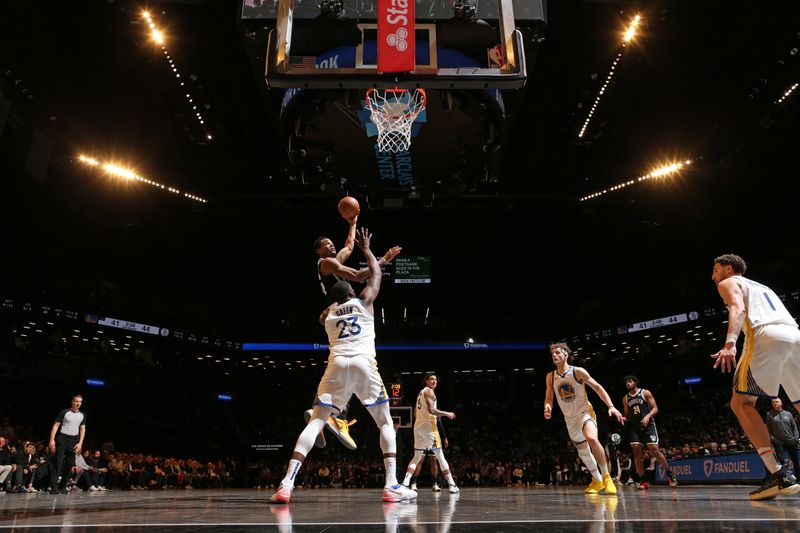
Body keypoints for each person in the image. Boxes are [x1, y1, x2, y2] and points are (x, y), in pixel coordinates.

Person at [270, 228, 416, 504]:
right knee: (385, 422)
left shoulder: (327, 316)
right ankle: (391, 485)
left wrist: (352, 230)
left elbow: (344, 263)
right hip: (363, 364)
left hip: (336, 365)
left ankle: (286, 484)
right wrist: (370, 251)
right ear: (351, 290)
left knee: (315, 421)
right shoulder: (365, 303)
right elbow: (373, 275)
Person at [710, 253, 800, 500]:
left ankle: (778, 473)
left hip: (766, 335)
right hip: (794, 334)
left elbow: (737, 308)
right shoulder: (762, 286)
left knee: (741, 403)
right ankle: (777, 473)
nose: (713, 275)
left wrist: (730, 343)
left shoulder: (728, 283)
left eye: (715, 270)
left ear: (728, 269)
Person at [308, 217, 402, 451]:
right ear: (318, 251)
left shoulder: (331, 261)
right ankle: (335, 417)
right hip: (337, 312)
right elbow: (360, 276)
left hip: (336, 315)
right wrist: (382, 260)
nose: (331, 245)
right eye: (326, 244)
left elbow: (349, 246)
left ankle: (319, 416)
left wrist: (352, 222)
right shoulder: (326, 263)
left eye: (331, 242)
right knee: (351, 362)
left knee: (341, 366)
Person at [544, 342, 623, 495]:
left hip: (585, 413)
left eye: (558, 352)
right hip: (570, 419)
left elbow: (598, 387)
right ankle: (597, 480)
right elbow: (549, 397)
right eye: (553, 353)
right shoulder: (550, 377)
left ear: (566, 355)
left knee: (592, 438)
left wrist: (611, 406)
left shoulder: (577, 372)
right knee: (583, 451)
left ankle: (607, 477)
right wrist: (548, 407)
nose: (555, 355)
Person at [401, 374, 460, 494]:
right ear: (426, 381)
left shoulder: (420, 393)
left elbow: (415, 414)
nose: (434, 381)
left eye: (436, 379)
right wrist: (447, 413)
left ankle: (405, 484)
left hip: (418, 427)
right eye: (431, 379)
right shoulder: (429, 392)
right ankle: (452, 484)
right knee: (440, 456)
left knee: (417, 457)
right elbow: (432, 410)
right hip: (429, 428)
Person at [622, 375, 677, 489]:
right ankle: (643, 480)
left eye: (630, 381)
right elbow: (627, 414)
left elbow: (655, 408)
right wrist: (624, 418)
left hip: (648, 425)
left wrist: (647, 417)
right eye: (626, 382)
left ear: (635, 382)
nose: (628, 383)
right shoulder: (625, 398)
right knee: (637, 450)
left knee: (654, 449)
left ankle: (669, 473)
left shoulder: (645, 393)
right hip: (635, 427)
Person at [49, 394, 86, 495]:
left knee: (70, 464)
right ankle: (53, 487)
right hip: (62, 438)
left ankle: (63, 486)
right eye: (76, 401)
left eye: (80, 402)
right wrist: (52, 440)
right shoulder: (64, 412)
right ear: (72, 402)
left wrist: (80, 443)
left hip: (73, 441)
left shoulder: (82, 415)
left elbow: (82, 429)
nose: (78, 403)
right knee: (58, 463)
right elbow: (56, 425)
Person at [407, 418, 448, 492]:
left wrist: (444, 437)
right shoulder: (419, 408)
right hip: (421, 436)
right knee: (419, 460)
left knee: (434, 460)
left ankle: (435, 484)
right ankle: (413, 483)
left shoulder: (434, 409)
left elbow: (439, 422)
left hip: (432, 436)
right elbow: (415, 418)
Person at [765, 398, 800, 478]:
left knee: (796, 462)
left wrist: (796, 438)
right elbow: (769, 429)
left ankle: (799, 479)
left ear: (781, 403)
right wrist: (773, 439)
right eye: (773, 403)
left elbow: (794, 426)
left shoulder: (788, 414)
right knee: (780, 462)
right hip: (778, 442)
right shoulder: (769, 415)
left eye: (776, 402)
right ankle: (781, 479)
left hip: (791, 440)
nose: (775, 403)